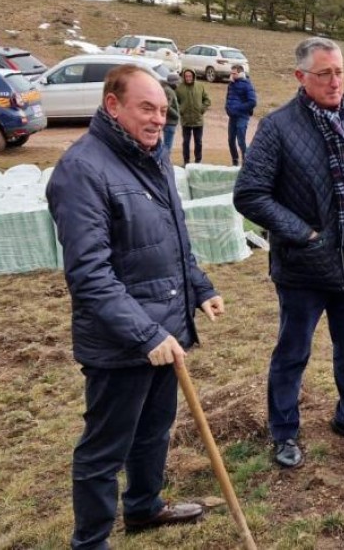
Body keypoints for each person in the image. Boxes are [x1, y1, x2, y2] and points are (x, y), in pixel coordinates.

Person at [46, 64, 226, 549]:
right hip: (122, 341)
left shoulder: (154, 157)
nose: (157, 119)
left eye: (163, 110)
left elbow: (172, 239)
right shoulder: (82, 170)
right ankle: (92, 541)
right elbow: (89, 275)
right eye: (146, 107)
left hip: (167, 329)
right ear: (113, 106)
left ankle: (145, 507)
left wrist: (200, 286)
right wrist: (145, 335)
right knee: (105, 449)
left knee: (154, 431)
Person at [233, 37, 344, 469]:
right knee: (293, 353)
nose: (335, 80)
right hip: (302, 268)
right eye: (324, 73)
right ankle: (284, 432)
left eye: (339, 71)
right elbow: (249, 194)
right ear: (301, 77)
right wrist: (303, 234)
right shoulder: (278, 127)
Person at [175, 69, 210, 164]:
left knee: (198, 142)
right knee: (186, 142)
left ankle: (198, 161)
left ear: (193, 76)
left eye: (190, 76)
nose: (188, 78)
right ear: (183, 77)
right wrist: (180, 110)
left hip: (198, 120)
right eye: (186, 76)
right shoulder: (179, 88)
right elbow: (175, 102)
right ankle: (186, 162)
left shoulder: (200, 86)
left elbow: (207, 100)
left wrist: (202, 109)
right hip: (185, 120)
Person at [225, 64, 257, 166]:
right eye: (231, 73)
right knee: (230, 140)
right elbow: (229, 97)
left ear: (240, 73)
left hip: (242, 117)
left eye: (234, 73)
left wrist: (238, 108)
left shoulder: (247, 85)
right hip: (232, 117)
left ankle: (246, 162)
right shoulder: (231, 84)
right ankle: (235, 161)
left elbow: (252, 102)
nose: (232, 75)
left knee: (241, 140)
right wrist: (227, 107)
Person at [160, 72, 180, 161]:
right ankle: (165, 163)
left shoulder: (169, 90)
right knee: (167, 146)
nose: (178, 84)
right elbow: (167, 106)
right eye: (177, 82)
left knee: (167, 145)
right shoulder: (169, 91)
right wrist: (176, 115)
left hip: (170, 122)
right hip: (170, 122)